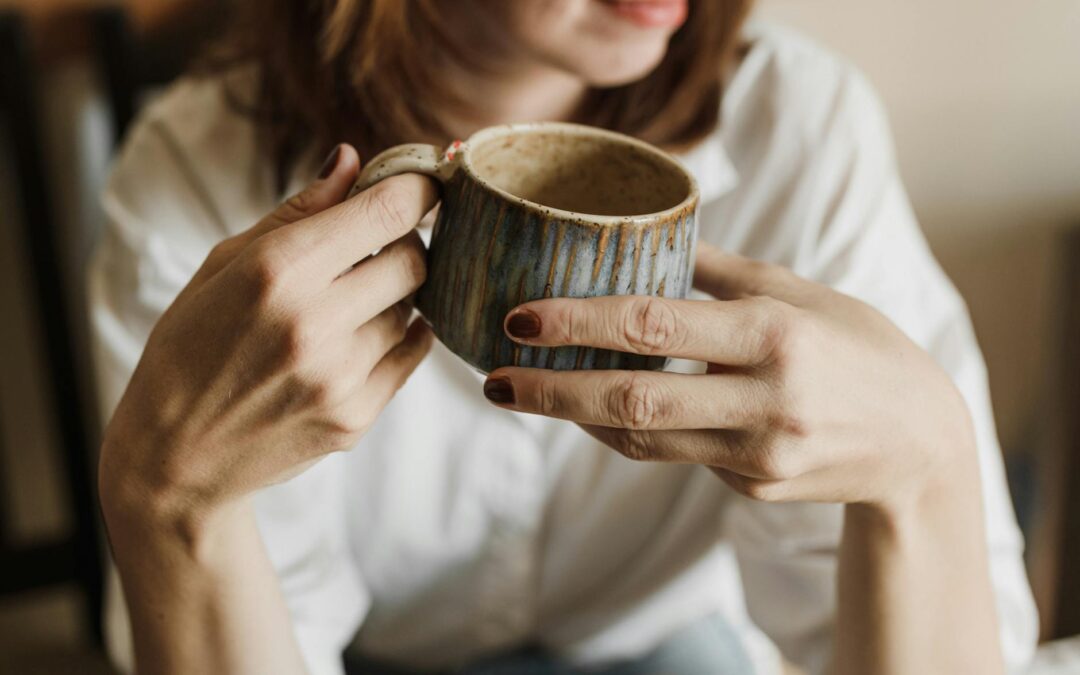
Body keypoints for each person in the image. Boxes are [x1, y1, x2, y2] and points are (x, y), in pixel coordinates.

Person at [89, 1, 1038, 673]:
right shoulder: (192, 187)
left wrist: (928, 468)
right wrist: (166, 507)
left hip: (663, 643)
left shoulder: (799, 129)